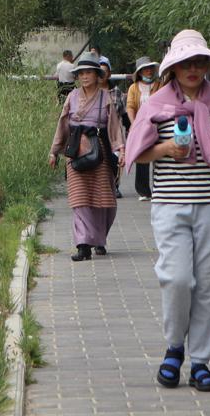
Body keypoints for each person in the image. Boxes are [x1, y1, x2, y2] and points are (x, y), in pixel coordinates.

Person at [122, 29, 210, 393]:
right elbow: (137, 152)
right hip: (170, 206)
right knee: (177, 278)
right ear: (173, 68)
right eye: (186, 63)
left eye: (199, 63)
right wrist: (166, 148)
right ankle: (174, 347)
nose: (193, 69)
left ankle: (200, 362)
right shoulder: (156, 104)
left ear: (207, 66)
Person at [49, 52, 125, 261]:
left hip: (99, 151)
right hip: (75, 151)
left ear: (97, 75)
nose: (84, 76)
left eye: (89, 72)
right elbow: (62, 125)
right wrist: (54, 151)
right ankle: (83, 245)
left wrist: (121, 150)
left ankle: (98, 239)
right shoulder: (72, 97)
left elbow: (114, 127)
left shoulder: (106, 97)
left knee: (103, 200)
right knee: (79, 199)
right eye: (81, 73)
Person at [126, 56, 159, 200]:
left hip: (158, 124)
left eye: (150, 69)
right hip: (141, 125)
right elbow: (130, 106)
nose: (149, 71)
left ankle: (159, 188)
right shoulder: (133, 88)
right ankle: (143, 191)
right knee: (142, 156)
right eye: (145, 69)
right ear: (139, 72)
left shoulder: (160, 85)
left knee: (159, 156)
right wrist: (134, 123)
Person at [99, 59, 129, 199]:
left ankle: (115, 186)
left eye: (105, 72)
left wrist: (129, 130)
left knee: (116, 160)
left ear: (109, 73)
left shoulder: (116, 91)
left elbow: (124, 114)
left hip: (115, 133)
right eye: (99, 72)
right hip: (98, 133)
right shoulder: (92, 92)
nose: (102, 74)